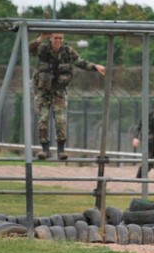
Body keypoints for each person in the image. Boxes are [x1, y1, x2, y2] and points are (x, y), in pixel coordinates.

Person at [30, 32, 105, 160]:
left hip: (59, 90)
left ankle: (61, 150)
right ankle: (45, 149)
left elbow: (80, 62)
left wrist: (95, 67)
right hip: (43, 90)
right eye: (55, 38)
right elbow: (29, 49)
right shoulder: (43, 48)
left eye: (60, 38)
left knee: (61, 120)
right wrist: (41, 37)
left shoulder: (67, 51)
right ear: (51, 38)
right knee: (43, 119)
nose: (58, 41)